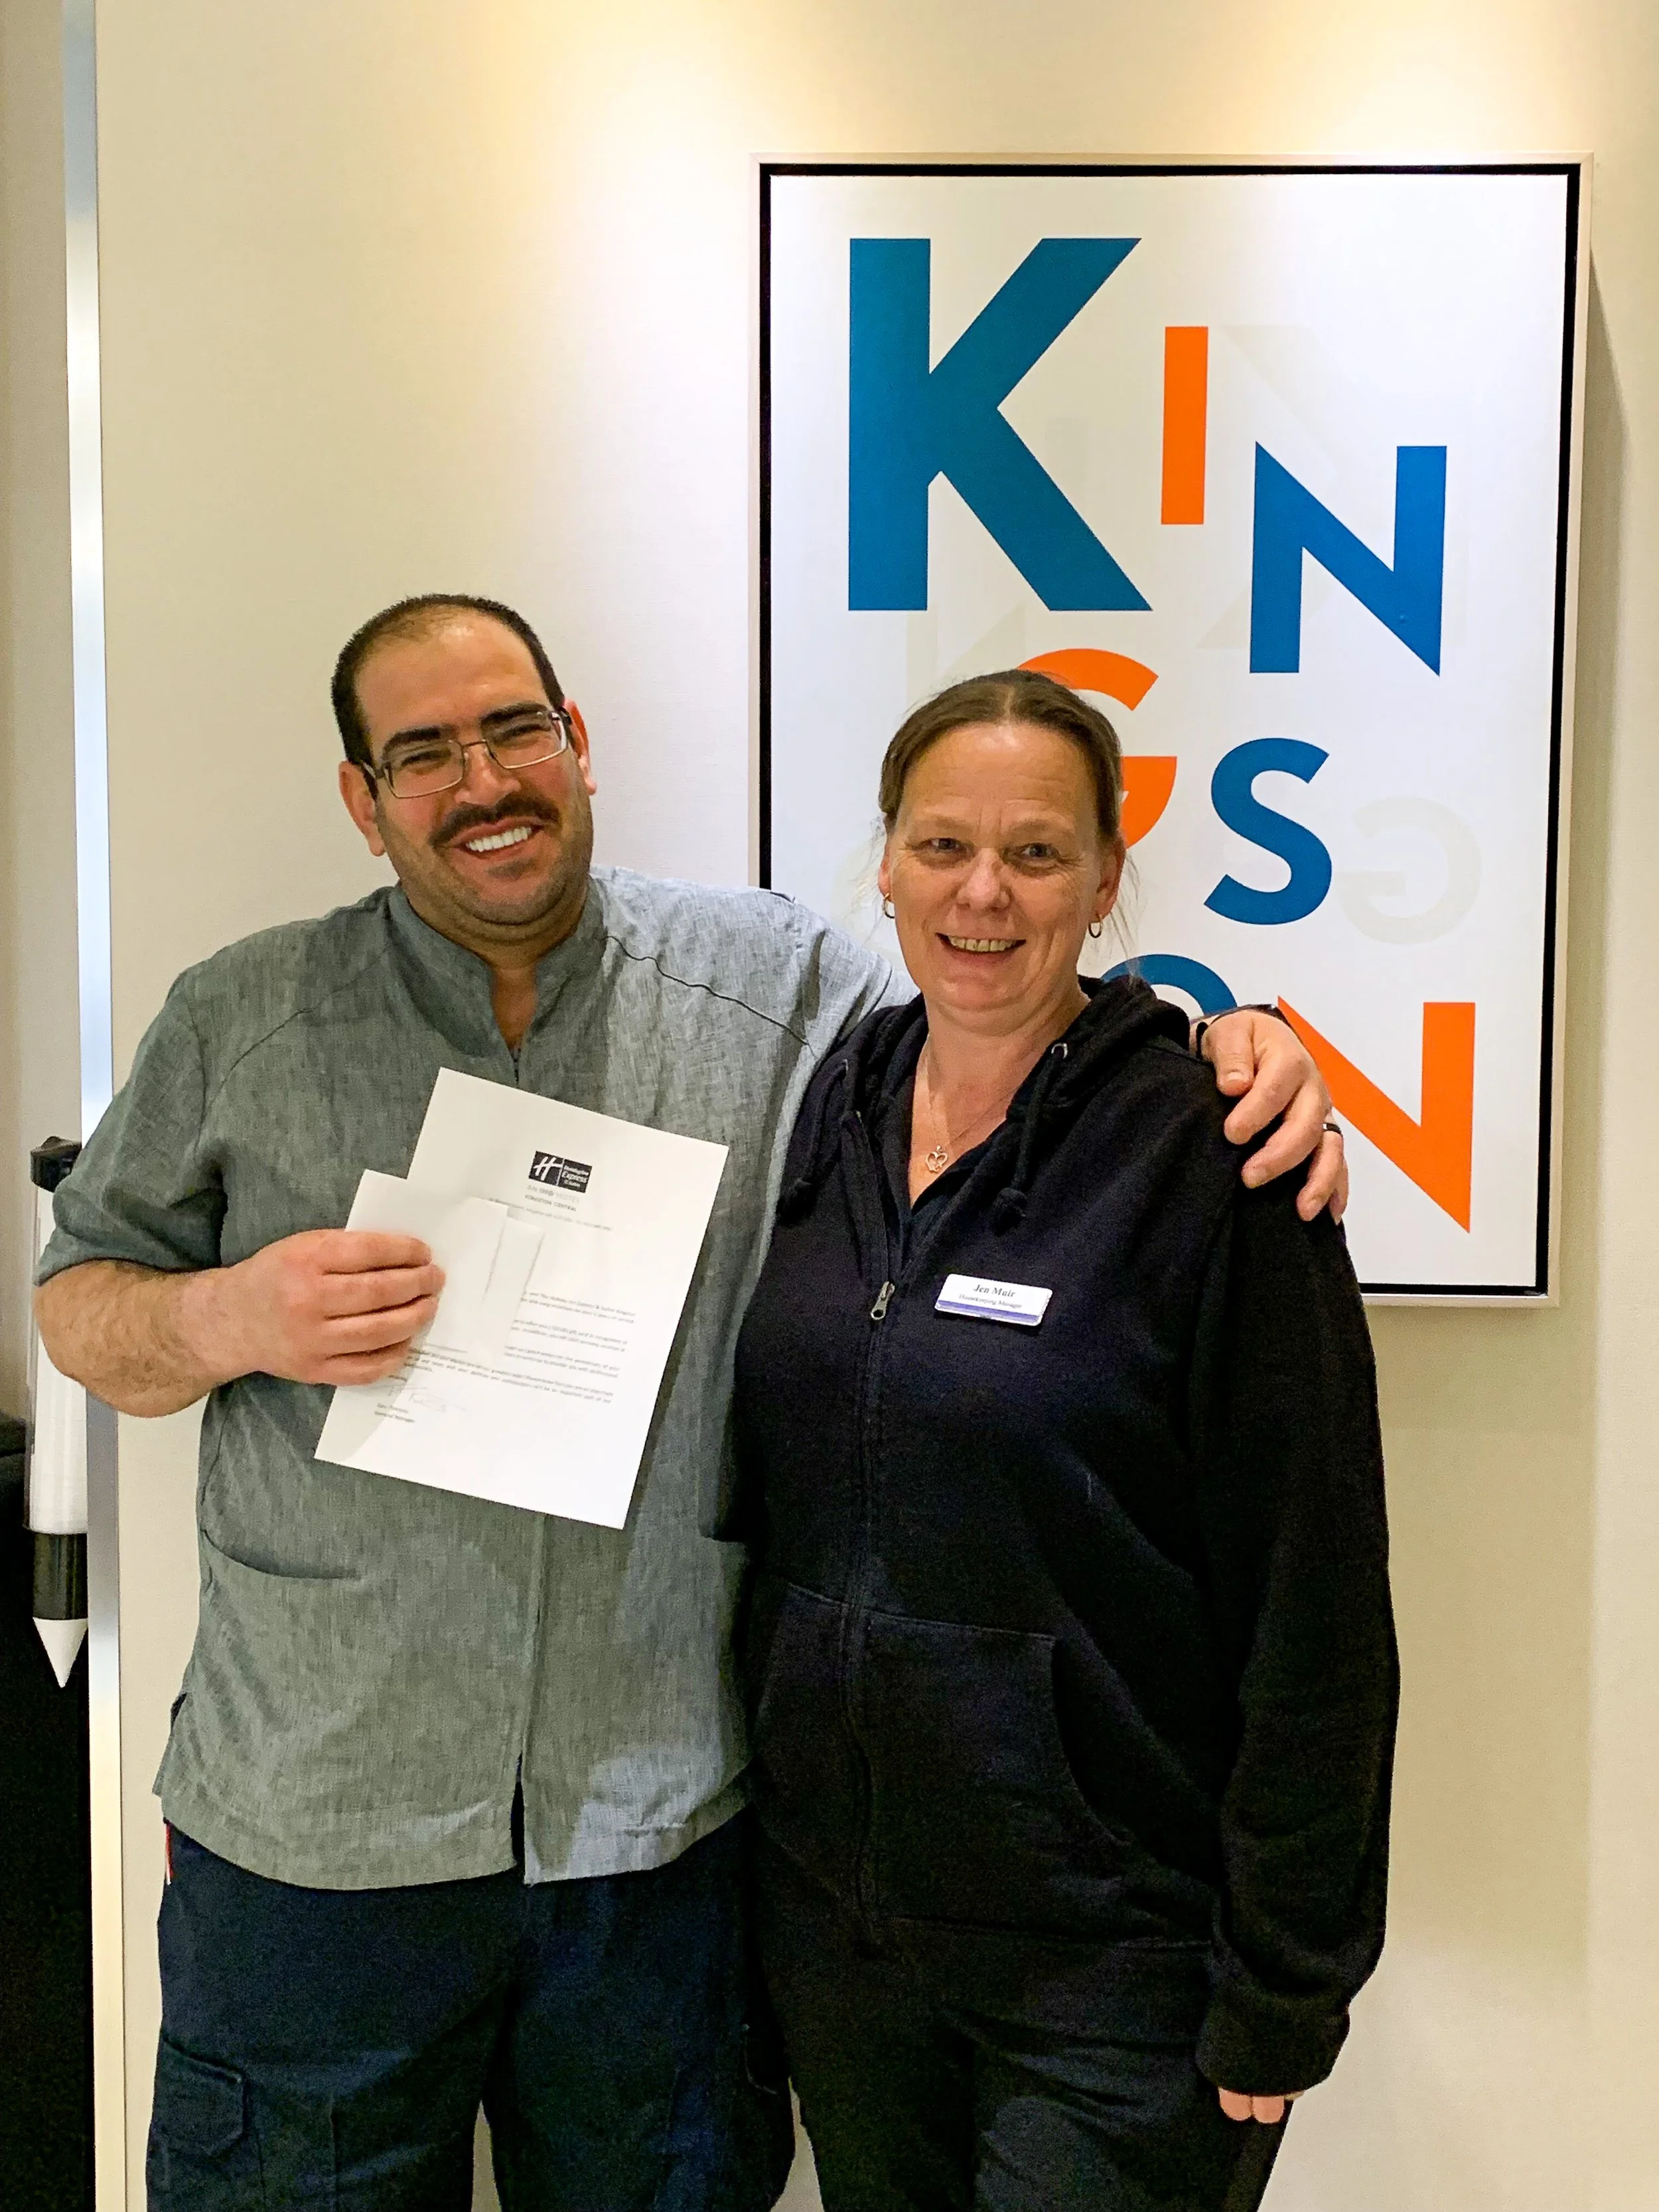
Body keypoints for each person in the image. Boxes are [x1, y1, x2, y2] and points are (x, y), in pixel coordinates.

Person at [35, 597, 1344, 2212]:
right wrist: (226, 1313)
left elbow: (999, 1002)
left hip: (652, 1853)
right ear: (363, 801)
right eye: (422, 753)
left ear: (577, 744)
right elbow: (80, 1306)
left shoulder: (777, 988)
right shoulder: (240, 1020)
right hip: (317, 1839)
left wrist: (1229, 1044)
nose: (482, 779)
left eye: (513, 729)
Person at [733, 670, 1397, 2212]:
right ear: (884, 863)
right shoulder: (833, 1104)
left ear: (1104, 881)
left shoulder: (1214, 1153)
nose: (982, 892)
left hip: (1112, 1971)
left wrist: (1285, 1977)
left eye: (1034, 853)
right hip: (845, 1945)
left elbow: (1312, 1600)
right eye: (941, 844)